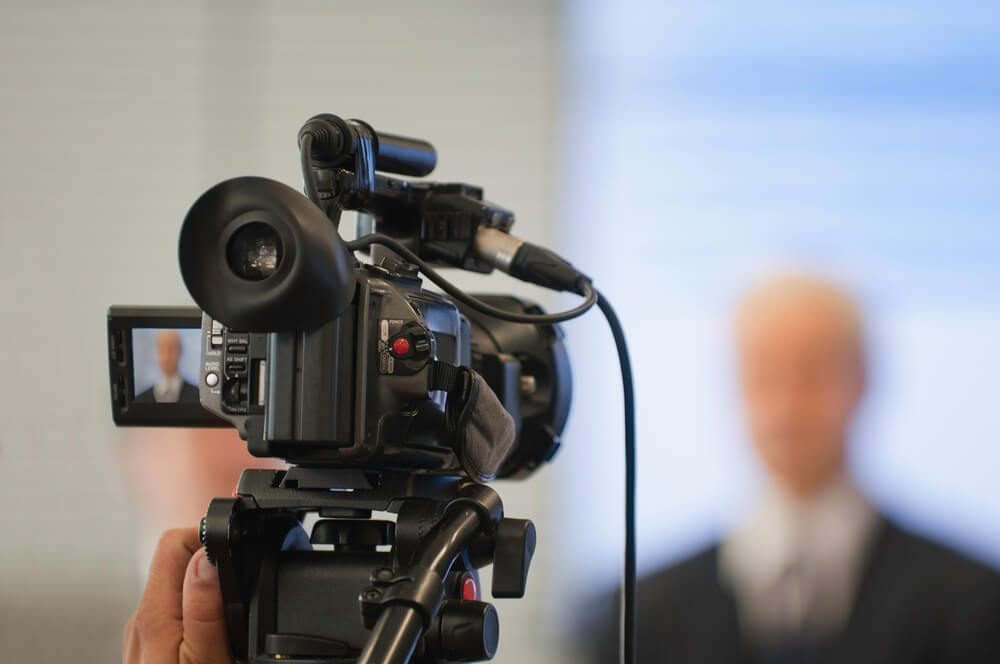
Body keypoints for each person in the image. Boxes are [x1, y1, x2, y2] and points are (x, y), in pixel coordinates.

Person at [592, 274, 1000, 664]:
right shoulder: (641, 611)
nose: (787, 405)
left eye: (814, 372)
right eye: (765, 373)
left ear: (863, 380)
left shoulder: (974, 602)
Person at [134, 329, 199, 403]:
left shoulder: (198, 398)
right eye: (162, 349)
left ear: (180, 351)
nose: (166, 357)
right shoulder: (141, 400)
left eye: (171, 349)